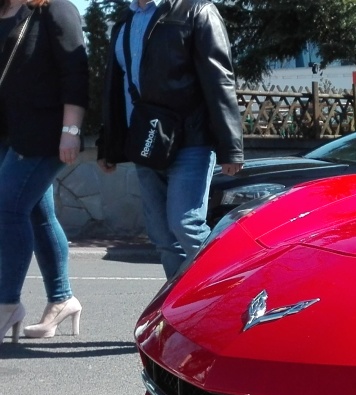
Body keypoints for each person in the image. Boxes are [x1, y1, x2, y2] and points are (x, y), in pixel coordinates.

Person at [98, 0, 243, 280]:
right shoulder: (125, 20)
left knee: (185, 224)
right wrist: (109, 146)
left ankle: (230, 288)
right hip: (146, 141)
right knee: (163, 236)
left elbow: (219, 80)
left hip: (191, 140)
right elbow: (114, 87)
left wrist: (230, 145)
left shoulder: (197, 10)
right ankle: (182, 311)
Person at [0, 0, 88, 341]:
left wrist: (72, 130)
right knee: (38, 216)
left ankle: (6, 303)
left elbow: (75, 71)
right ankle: (62, 299)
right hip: (10, 133)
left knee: (7, 208)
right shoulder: (5, 12)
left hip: (44, 134)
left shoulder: (55, 9)